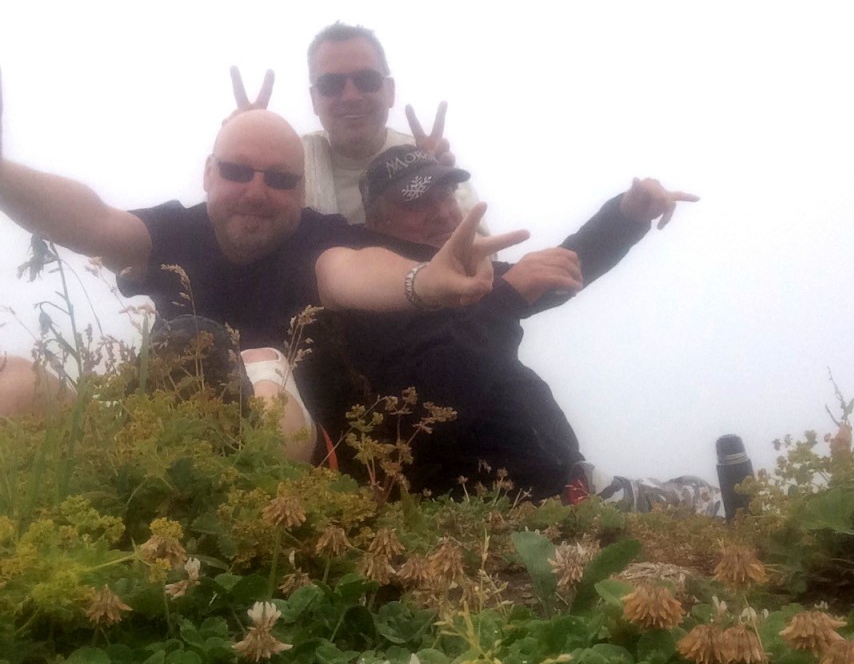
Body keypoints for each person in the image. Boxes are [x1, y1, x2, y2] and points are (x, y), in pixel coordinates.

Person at [0, 80, 526, 461]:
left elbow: (353, 270)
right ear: (208, 174)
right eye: (236, 171)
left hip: (297, 458)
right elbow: (95, 223)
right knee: (13, 382)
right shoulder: (176, 232)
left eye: (279, 179)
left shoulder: (315, 240)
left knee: (261, 368)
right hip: (159, 443)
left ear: (301, 191)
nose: (256, 191)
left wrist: (422, 282)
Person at [334, 145, 721, 513]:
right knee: (711, 506)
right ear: (376, 221)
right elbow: (428, 405)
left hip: (564, 490)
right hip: (500, 510)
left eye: (447, 194)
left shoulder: (458, 275)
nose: (443, 212)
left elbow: (559, 270)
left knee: (711, 496)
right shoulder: (373, 296)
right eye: (417, 202)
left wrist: (628, 214)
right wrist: (505, 301)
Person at [233, 22, 480, 224]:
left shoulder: (430, 160)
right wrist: (242, 147)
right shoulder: (286, 165)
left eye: (367, 80)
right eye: (331, 85)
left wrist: (440, 188)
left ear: (390, 91)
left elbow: (485, 256)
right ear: (314, 99)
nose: (350, 96)